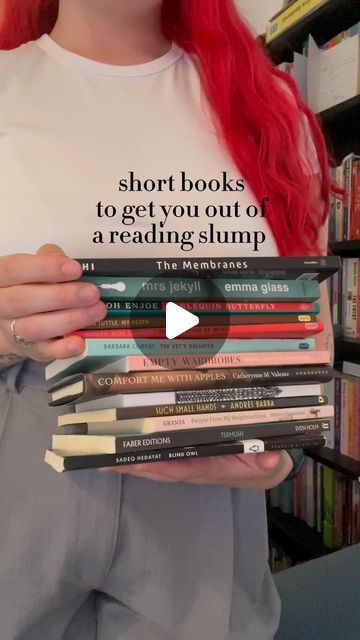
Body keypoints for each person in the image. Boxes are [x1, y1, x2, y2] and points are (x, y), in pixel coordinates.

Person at [0, 1, 333, 639]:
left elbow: (304, 329)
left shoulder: (269, 109)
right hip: (22, 454)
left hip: (208, 478)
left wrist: (280, 449)